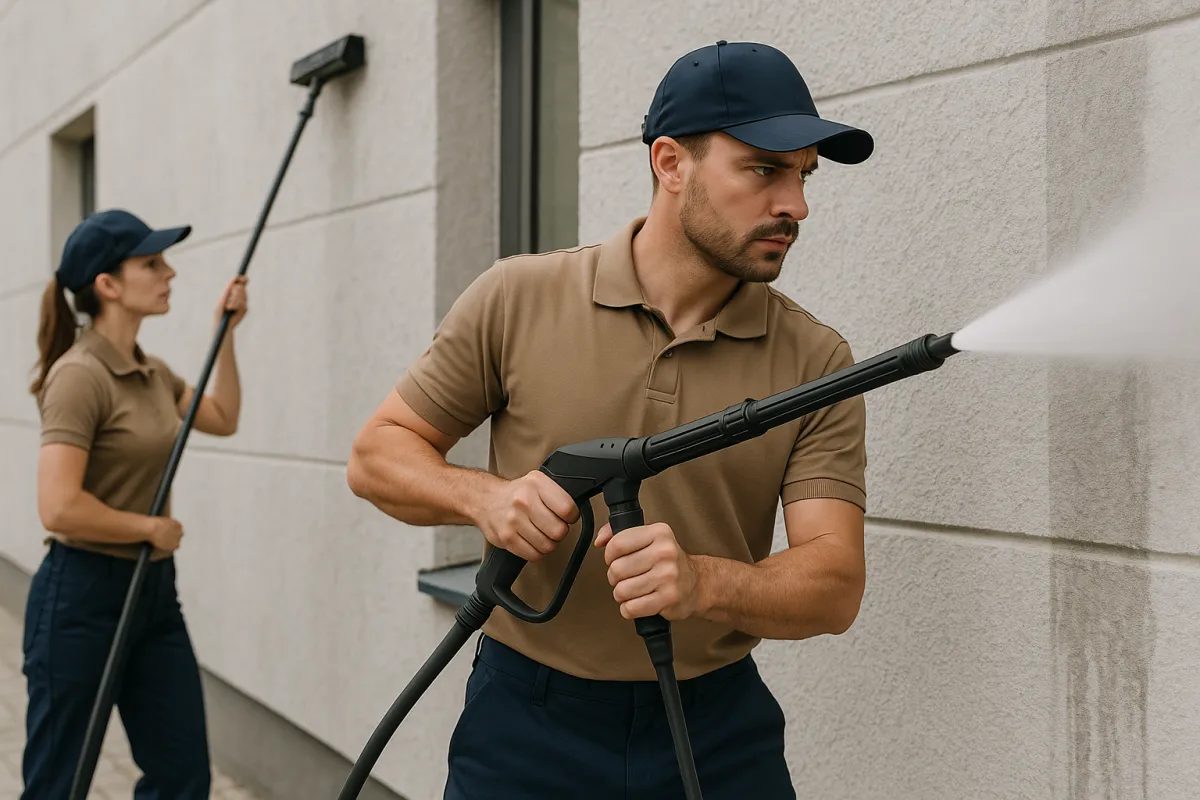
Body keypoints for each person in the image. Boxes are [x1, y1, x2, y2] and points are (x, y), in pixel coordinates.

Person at [347, 40, 875, 799]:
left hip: (717, 728)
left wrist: (702, 583)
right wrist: (485, 498)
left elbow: (834, 585)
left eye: (802, 176)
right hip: (527, 722)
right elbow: (376, 455)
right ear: (670, 164)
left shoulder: (816, 360)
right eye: (764, 169)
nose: (794, 204)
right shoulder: (517, 298)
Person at [22, 208, 248, 799]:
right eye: (152, 262)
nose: (169, 272)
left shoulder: (152, 372)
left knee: (182, 777)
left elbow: (223, 418)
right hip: (80, 598)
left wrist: (222, 337)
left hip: (152, 596)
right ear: (108, 285)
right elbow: (59, 508)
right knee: (58, 783)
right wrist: (148, 526)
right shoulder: (79, 377)